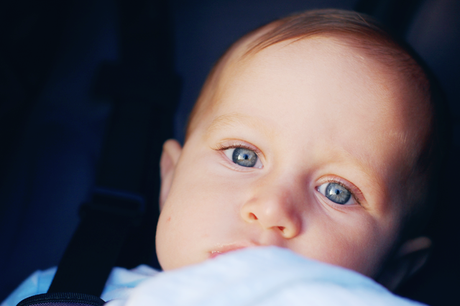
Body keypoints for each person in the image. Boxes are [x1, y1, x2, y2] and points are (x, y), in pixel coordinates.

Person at [2, 9, 449, 306]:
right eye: (243, 155)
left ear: (393, 269)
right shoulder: (57, 291)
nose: (272, 208)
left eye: (337, 191)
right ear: (170, 179)